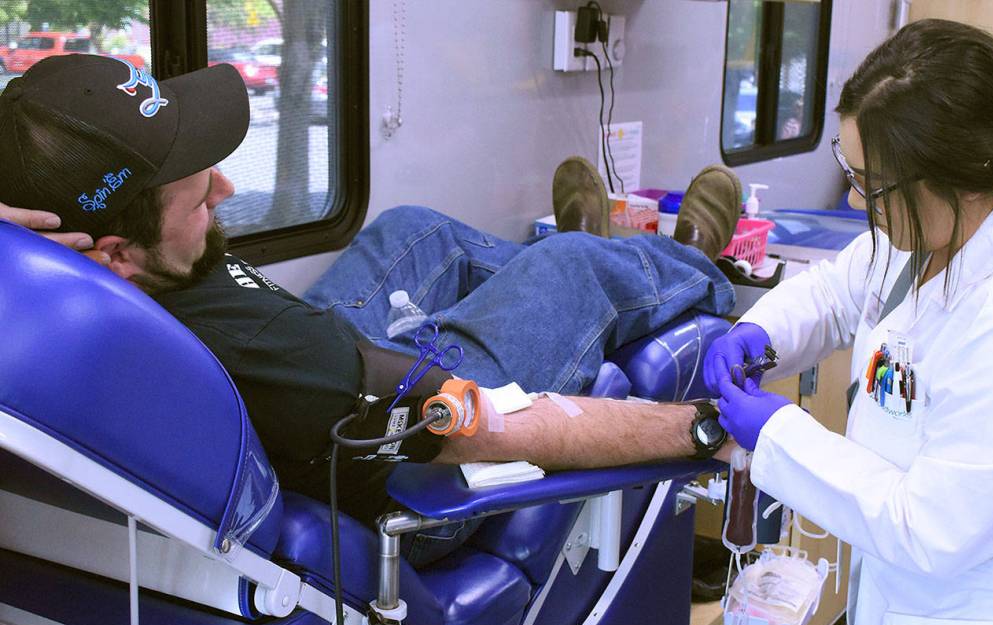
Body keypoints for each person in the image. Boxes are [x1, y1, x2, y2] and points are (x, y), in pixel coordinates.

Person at [0, 54, 741, 566]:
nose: (225, 189)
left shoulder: (47, 260)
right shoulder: (262, 358)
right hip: (389, 474)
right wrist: (709, 427)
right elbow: (488, 425)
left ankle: (623, 263)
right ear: (114, 255)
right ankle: (697, 263)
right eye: (198, 198)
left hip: (312, 357)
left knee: (411, 230)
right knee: (568, 266)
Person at [707, 20, 993, 625]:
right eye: (850, 172)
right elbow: (836, 292)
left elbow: (929, 527)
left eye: (872, 184)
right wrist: (761, 332)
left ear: (963, 173)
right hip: (896, 613)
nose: (855, 200)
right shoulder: (929, 233)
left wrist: (779, 433)